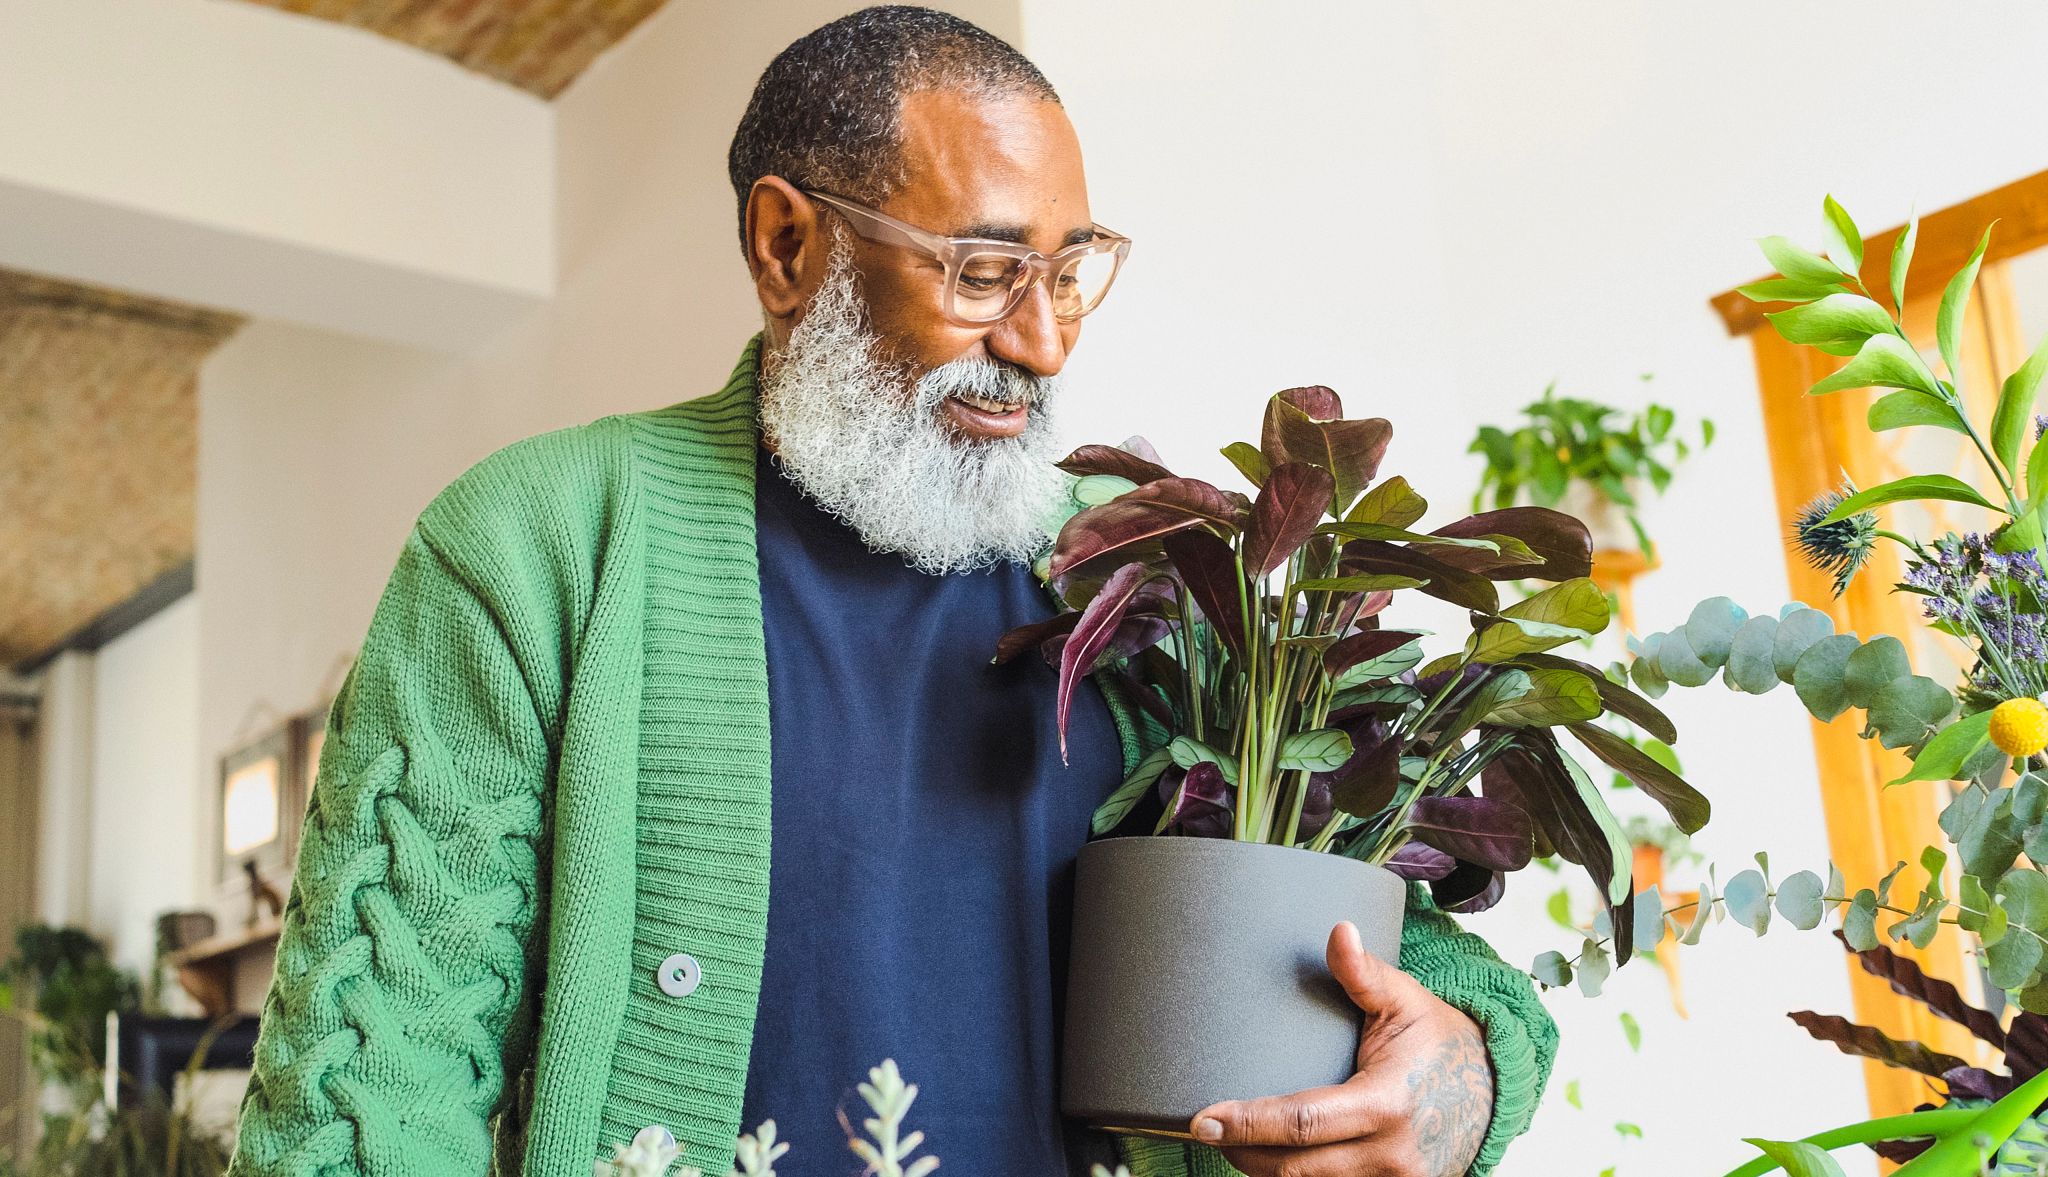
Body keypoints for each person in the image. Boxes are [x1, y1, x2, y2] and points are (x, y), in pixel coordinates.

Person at [225, 8, 1554, 1177]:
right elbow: (371, 1093)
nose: (1039, 341)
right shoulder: (530, 546)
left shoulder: (1146, 571)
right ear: (788, 244)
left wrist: (1462, 1066)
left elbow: (1382, 939)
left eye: (1071, 267)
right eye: (982, 273)